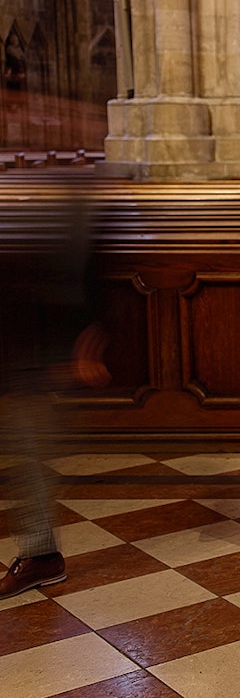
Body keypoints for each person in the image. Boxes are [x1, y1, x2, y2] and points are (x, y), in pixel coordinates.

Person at [1, 194, 107, 600]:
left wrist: (81, 342)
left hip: (32, 356)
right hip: (26, 351)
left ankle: (42, 555)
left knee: (28, 455)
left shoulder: (71, 203)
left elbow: (78, 273)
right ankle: (41, 554)